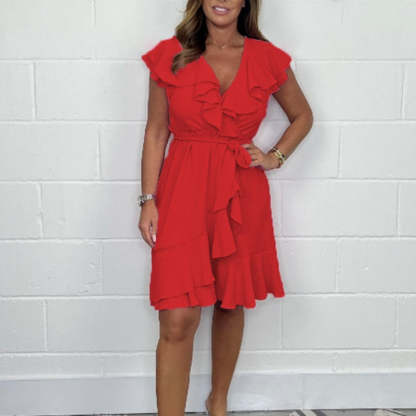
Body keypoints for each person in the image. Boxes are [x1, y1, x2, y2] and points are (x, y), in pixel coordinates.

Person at [138, 0, 313, 414]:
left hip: (241, 191)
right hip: (182, 192)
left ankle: (218, 400)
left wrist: (274, 157)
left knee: (230, 301)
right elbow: (156, 131)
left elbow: (303, 115)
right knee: (177, 317)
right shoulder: (170, 54)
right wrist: (148, 199)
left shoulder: (267, 58)